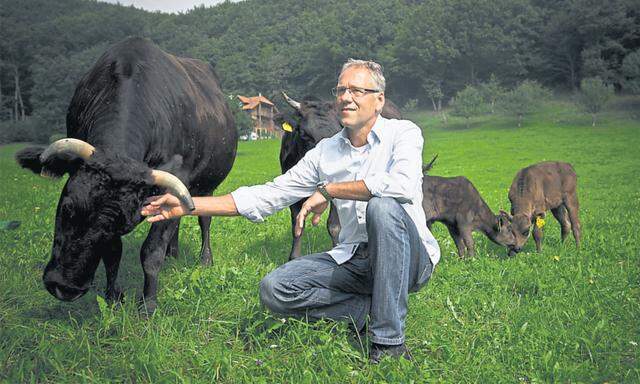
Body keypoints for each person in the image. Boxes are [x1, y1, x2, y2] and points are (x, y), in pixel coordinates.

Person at [141, 59, 440, 363]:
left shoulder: (404, 133)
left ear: (379, 100)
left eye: (358, 90)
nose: (346, 97)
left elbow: (399, 186)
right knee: (275, 289)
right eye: (341, 89)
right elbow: (270, 194)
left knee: (383, 207)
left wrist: (330, 189)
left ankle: (389, 344)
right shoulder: (326, 152)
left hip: (410, 258)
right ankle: (368, 310)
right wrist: (187, 205)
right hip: (355, 259)